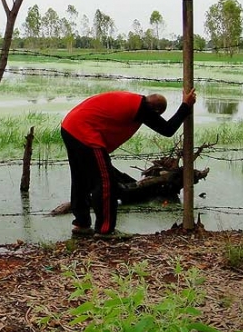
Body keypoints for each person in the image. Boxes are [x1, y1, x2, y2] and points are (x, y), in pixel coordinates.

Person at [60, 89, 197, 238]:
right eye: (157, 116)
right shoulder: (143, 108)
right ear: (156, 110)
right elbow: (167, 129)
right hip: (85, 132)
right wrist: (185, 106)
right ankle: (105, 230)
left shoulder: (132, 101)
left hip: (69, 126)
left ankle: (82, 224)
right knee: (106, 182)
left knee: (81, 178)